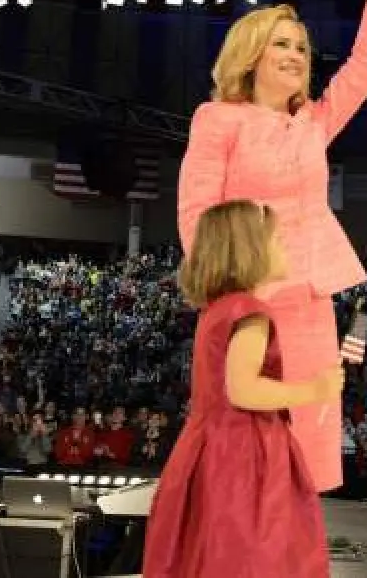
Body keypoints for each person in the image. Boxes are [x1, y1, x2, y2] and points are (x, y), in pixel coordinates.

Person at [176, 0, 367, 493]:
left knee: (308, 434)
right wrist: (224, 297)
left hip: (309, 300)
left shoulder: (313, 123)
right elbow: (196, 213)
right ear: (250, 54)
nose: (297, 53)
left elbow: (366, 67)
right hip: (247, 297)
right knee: (245, 432)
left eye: (301, 46)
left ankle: (294, 532)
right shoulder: (218, 119)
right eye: (282, 43)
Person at [143, 201, 344, 578]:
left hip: (211, 448)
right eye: (276, 240)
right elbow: (243, 390)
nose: (284, 246)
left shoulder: (217, 311)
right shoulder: (250, 312)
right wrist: (315, 390)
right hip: (243, 457)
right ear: (250, 249)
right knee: (251, 556)